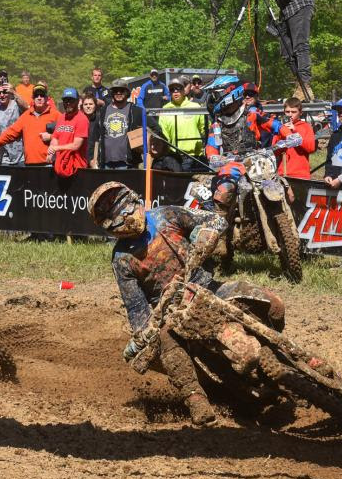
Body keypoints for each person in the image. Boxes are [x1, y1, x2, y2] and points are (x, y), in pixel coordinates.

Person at [88, 182, 240, 426]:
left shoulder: (166, 215)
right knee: (164, 340)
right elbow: (137, 311)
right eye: (114, 215)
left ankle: (286, 357)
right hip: (171, 310)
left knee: (269, 302)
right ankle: (196, 398)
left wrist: (206, 238)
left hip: (205, 284)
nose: (124, 217)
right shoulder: (122, 260)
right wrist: (146, 335)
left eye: (122, 209)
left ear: (133, 201)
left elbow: (215, 221)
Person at [205, 82, 289, 218]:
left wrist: (290, 135)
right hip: (232, 163)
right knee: (224, 189)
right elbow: (211, 146)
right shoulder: (217, 124)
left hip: (255, 159)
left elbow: (275, 124)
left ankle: (282, 214)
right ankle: (220, 227)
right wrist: (213, 157)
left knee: (274, 183)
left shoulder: (251, 113)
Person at [243, 0, 314, 99]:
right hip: (285, 10)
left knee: (300, 46)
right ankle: (301, 85)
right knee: (286, 52)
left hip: (300, 4)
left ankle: (304, 86)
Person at [0, 83, 59, 166]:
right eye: (36, 95)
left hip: (49, 164)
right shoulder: (26, 116)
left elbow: (68, 136)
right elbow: (10, 133)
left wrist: (51, 137)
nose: (39, 98)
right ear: (33, 98)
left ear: (46, 98)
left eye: (42, 95)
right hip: (29, 165)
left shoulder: (56, 115)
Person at [160, 76, 205, 171]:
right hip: (175, 157)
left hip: (195, 157)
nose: (175, 91)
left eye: (178, 88)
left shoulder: (196, 107)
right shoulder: (165, 109)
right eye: (172, 89)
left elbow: (205, 129)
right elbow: (164, 134)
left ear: (184, 91)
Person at [99, 79, 143, 169]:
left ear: (127, 92)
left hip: (127, 162)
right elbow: (97, 135)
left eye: (122, 90)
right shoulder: (104, 110)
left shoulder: (135, 110)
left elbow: (153, 127)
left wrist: (141, 142)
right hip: (106, 162)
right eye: (115, 91)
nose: (118, 93)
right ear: (112, 93)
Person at [47, 88, 90, 177]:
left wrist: (56, 148)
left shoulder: (82, 119)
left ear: (78, 101)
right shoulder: (61, 117)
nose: (68, 103)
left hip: (77, 168)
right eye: (66, 100)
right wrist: (51, 151)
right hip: (61, 166)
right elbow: (55, 137)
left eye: (71, 100)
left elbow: (76, 145)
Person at [272, 96, 316, 179]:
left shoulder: (306, 127)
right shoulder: (280, 127)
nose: (290, 115)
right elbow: (275, 152)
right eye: (287, 112)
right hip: (283, 173)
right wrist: (281, 134)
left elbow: (311, 148)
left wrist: (294, 132)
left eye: (293, 112)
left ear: (300, 113)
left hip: (300, 174)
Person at [0, 82, 24, 165]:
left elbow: (27, 107)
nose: (2, 95)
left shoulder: (17, 105)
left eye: (4, 92)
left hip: (22, 156)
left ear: (9, 93)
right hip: (5, 158)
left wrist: (14, 92)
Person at [80, 93, 100, 167]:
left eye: (91, 104)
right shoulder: (78, 120)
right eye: (85, 104)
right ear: (82, 106)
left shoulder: (100, 120)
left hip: (95, 160)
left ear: (95, 106)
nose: (88, 106)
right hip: (80, 160)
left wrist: (95, 159)